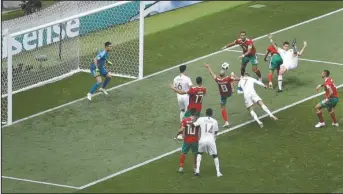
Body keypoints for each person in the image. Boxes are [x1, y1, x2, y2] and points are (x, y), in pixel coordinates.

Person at [193, 108, 222, 177]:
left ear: (206, 113)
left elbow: (194, 125)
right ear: (212, 114)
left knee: (199, 153)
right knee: (215, 155)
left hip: (202, 139)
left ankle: (197, 170)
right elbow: (216, 132)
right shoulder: (215, 121)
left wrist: (195, 118)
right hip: (211, 140)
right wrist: (214, 138)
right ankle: (218, 172)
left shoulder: (201, 119)